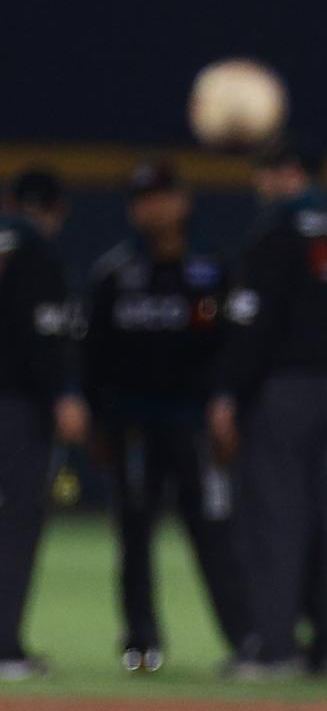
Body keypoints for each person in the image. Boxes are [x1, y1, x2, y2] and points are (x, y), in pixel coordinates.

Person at [82, 159, 254, 672]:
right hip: (133, 425)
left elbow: (234, 347)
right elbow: (92, 358)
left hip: (194, 425)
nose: (151, 207)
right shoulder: (113, 274)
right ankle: (141, 642)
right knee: (134, 535)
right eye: (141, 198)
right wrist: (97, 422)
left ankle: (244, 640)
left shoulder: (211, 268)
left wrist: (226, 403)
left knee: (212, 533)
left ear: (183, 201)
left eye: (160, 196)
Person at [210, 136, 327, 677]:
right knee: (322, 517)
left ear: (292, 172)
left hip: (280, 391)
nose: (260, 182)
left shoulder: (275, 234)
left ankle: (275, 648)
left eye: (268, 171)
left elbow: (254, 326)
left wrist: (229, 393)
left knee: (274, 518)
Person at [0, 168, 89, 680]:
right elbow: (44, 335)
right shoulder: (36, 250)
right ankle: (4, 646)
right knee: (14, 525)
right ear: (54, 209)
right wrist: (63, 395)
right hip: (14, 409)